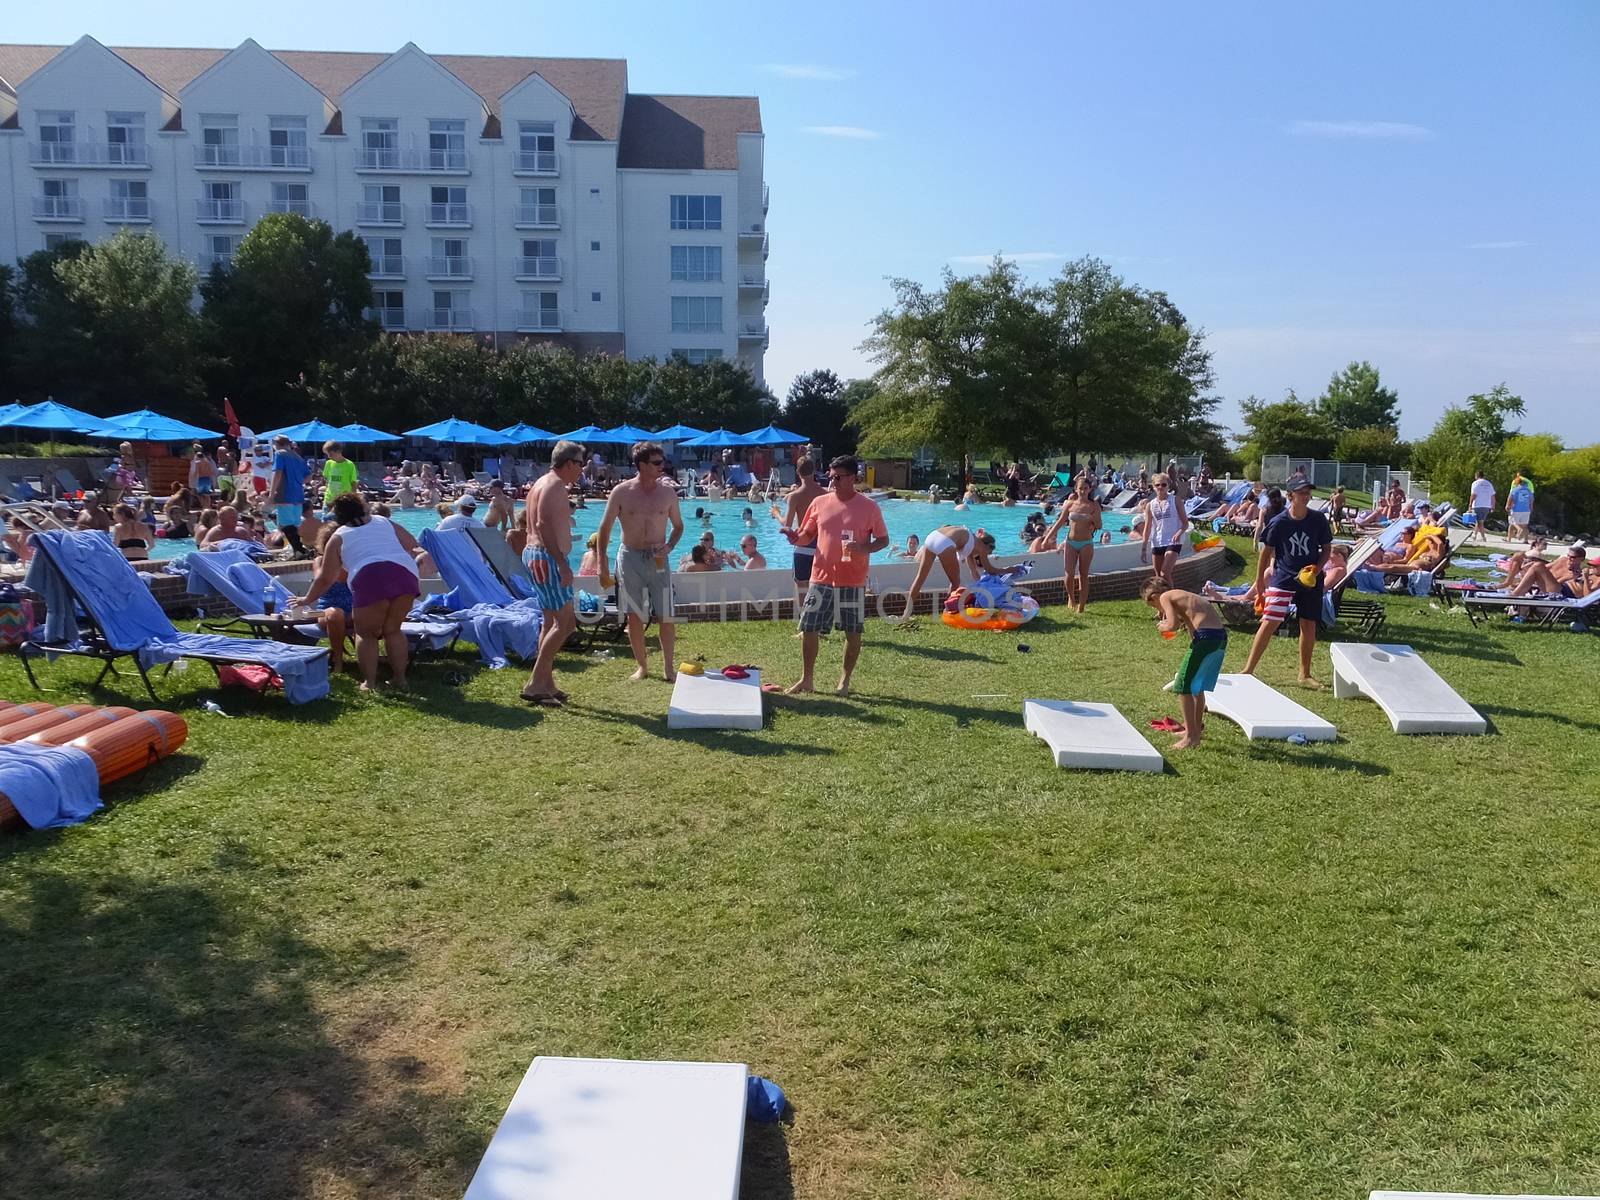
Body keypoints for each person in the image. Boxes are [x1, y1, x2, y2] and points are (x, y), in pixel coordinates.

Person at [784, 456, 889, 695]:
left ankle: (844, 681)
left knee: (852, 633)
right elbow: (807, 535)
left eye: (838, 477)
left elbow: (883, 540)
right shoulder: (819, 502)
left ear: (853, 478)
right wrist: (794, 538)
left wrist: (864, 548)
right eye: (830, 476)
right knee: (809, 628)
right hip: (820, 576)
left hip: (852, 579)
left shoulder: (869, 507)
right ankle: (807, 679)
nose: (832, 481)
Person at [299, 492, 423, 691]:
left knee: (366, 633)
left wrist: (306, 599)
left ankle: (370, 683)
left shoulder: (338, 537)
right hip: (405, 574)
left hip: (369, 576)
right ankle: (400, 679)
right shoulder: (383, 521)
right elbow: (410, 542)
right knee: (393, 630)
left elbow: (325, 578)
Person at [595, 441, 685, 682]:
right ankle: (642, 667)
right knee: (634, 615)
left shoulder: (667, 492)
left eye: (663, 462)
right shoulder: (622, 492)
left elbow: (678, 526)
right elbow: (604, 529)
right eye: (656, 463)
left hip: (658, 558)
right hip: (630, 557)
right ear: (642, 465)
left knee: (666, 614)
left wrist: (670, 546)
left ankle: (668, 667)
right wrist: (601, 563)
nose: (662, 467)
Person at [1239, 475, 1334, 687]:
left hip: (1310, 578)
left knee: (1308, 624)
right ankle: (1248, 670)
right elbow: (1266, 553)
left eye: (1308, 492)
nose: (1306, 496)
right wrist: (1260, 583)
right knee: (1270, 621)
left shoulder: (1318, 519)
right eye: (1301, 492)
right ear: (1290, 495)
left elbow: (1326, 548)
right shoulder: (1278, 522)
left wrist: (1317, 569)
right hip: (1283, 576)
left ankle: (1304, 674)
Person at [520, 440, 586, 706]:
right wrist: (561, 562)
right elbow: (543, 524)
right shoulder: (555, 485)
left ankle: (546, 683)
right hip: (546, 557)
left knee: (550, 622)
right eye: (580, 463)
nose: (582, 469)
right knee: (566, 623)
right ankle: (536, 683)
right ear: (569, 463)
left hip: (537, 554)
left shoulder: (540, 483)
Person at [1144, 577, 1226, 750]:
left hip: (1206, 637)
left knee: (1183, 685)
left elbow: (1173, 626)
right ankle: (1195, 728)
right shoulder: (1184, 596)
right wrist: (1193, 645)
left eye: (1154, 606)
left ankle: (1191, 737)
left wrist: (1163, 626)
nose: (1159, 611)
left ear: (1154, 596)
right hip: (1218, 637)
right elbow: (1191, 624)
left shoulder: (1166, 596)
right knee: (1197, 686)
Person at [902, 524, 1000, 615]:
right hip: (944, 542)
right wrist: (1011, 570)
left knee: (920, 577)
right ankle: (946, 610)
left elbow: (973, 570)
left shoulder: (967, 535)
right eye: (989, 551)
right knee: (955, 582)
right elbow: (984, 570)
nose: (986, 554)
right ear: (985, 545)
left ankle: (906, 612)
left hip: (933, 536)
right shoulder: (976, 546)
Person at [1043, 474, 1104, 613]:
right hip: (1071, 542)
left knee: (1083, 574)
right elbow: (1059, 523)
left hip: (1086, 543)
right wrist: (1047, 538)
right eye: (1080, 488)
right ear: (1076, 489)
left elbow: (1100, 525)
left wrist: (1094, 523)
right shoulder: (1070, 504)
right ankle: (1071, 598)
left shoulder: (1094, 505)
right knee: (1069, 574)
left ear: (1089, 489)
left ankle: (1081, 606)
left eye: (1085, 488)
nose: (1082, 491)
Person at [781, 455, 827, 611]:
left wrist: (776, 514)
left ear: (798, 473)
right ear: (814, 471)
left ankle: (804, 624)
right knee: (819, 585)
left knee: (801, 585)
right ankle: (819, 623)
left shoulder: (794, 496)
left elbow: (787, 525)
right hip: (821, 545)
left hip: (803, 544)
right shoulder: (825, 494)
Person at [307, 524, 351, 674]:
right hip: (327, 608)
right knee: (335, 614)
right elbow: (324, 579)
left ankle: (371, 657)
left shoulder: (353, 560)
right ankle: (338, 660)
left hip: (354, 607)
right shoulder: (320, 561)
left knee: (367, 613)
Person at [1140, 473, 1189, 584]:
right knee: (1159, 577)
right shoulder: (1150, 505)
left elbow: (1185, 523)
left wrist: (1179, 533)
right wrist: (1143, 547)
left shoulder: (1175, 500)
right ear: (1153, 486)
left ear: (1168, 486)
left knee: (1165, 573)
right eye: (1158, 485)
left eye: (1163, 485)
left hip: (1173, 540)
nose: (1160, 487)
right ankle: (1162, 599)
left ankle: (1172, 599)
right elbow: (1147, 527)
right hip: (1157, 541)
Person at [269, 436, 310, 555]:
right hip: (298, 494)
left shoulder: (280, 454)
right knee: (295, 525)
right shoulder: (298, 457)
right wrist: (297, 481)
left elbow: (278, 473)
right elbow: (308, 476)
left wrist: (272, 494)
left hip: (285, 493)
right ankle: (297, 550)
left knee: (286, 524)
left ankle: (299, 550)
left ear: (276, 444)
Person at [1468, 469, 1496, 543]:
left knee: (1480, 522)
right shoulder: (1489, 483)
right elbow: (1493, 496)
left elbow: (1473, 494)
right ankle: (1474, 535)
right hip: (1486, 505)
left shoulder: (1475, 483)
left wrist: (1470, 504)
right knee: (1479, 521)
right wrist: (1493, 505)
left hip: (1478, 505)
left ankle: (1483, 537)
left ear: (1476, 476)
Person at [1506, 473, 1534, 543]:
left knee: (1512, 522)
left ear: (1517, 483)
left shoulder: (1515, 490)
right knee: (1525, 525)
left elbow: (1510, 498)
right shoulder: (1528, 491)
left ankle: (1517, 531)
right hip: (1526, 510)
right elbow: (1531, 500)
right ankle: (1525, 540)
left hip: (1516, 509)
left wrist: (1507, 506)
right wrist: (1531, 508)